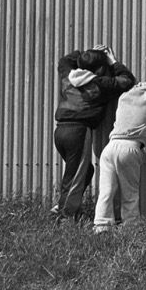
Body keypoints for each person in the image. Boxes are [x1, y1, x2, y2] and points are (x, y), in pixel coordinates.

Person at [52, 45, 136, 222]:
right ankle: (64, 216)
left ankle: (67, 208)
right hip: (79, 132)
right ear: (100, 68)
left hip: (60, 131)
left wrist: (86, 54)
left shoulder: (68, 76)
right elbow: (127, 80)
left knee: (84, 171)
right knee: (74, 176)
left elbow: (64, 60)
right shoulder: (100, 84)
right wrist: (112, 61)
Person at [93, 79, 146, 232]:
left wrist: (138, 85)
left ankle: (101, 225)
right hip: (129, 147)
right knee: (130, 191)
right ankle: (131, 226)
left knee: (106, 190)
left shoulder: (123, 98)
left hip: (110, 147)